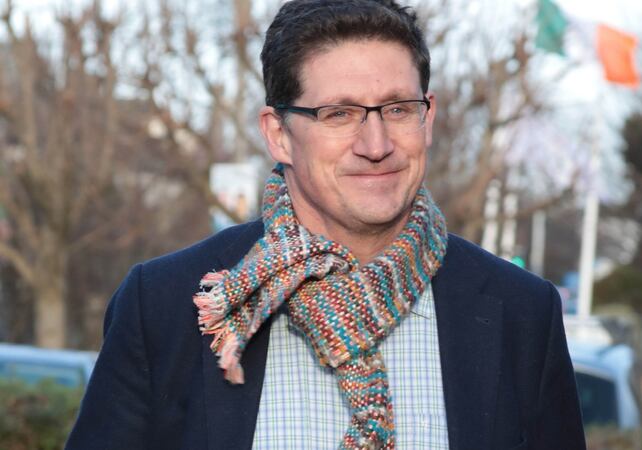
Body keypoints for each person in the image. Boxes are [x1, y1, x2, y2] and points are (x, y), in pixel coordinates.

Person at [66, 1, 585, 449]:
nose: (376, 145)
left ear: (427, 119)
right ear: (279, 134)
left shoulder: (522, 314)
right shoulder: (165, 305)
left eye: (397, 109)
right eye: (339, 114)